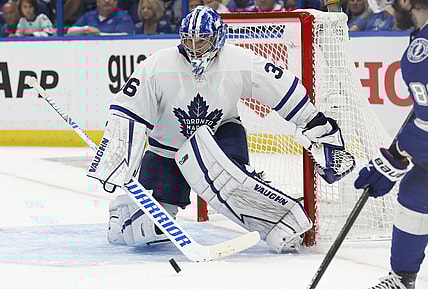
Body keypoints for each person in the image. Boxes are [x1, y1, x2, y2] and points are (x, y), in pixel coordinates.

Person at [87, 6, 352, 253]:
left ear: (217, 38)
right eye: (188, 40)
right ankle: (123, 212)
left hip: (220, 134)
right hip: (167, 147)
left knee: (232, 180)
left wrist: (318, 125)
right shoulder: (158, 65)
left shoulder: (238, 60)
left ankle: (277, 222)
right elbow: (127, 111)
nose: (193, 48)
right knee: (143, 231)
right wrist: (117, 156)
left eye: (201, 40)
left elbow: (282, 89)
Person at [354, 0, 428, 287]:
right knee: (417, 192)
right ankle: (402, 278)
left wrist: (394, 157)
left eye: (390, 2)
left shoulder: (421, 52)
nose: (386, 10)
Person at [67, 0, 135, 35]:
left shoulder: (123, 17)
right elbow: (70, 31)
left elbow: (124, 36)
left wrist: (98, 34)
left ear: (115, 2)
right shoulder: (88, 16)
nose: (107, 1)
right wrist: (86, 29)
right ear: (97, 2)